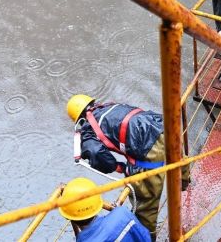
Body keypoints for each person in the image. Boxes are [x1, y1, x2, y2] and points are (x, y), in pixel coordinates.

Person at [67, 94, 191, 240]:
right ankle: (185, 183)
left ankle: (149, 237)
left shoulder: (88, 130)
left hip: (148, 146)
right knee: (179, 160)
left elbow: (97, 155)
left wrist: (120, 167)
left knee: (145, 203)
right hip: (163, 125)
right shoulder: (109, 106)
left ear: (78, 120)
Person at [58, 177, 151, 242]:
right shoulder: (122, 213)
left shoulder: (82, 240)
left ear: (67, 217)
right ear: (98, 204)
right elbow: (145, 237)